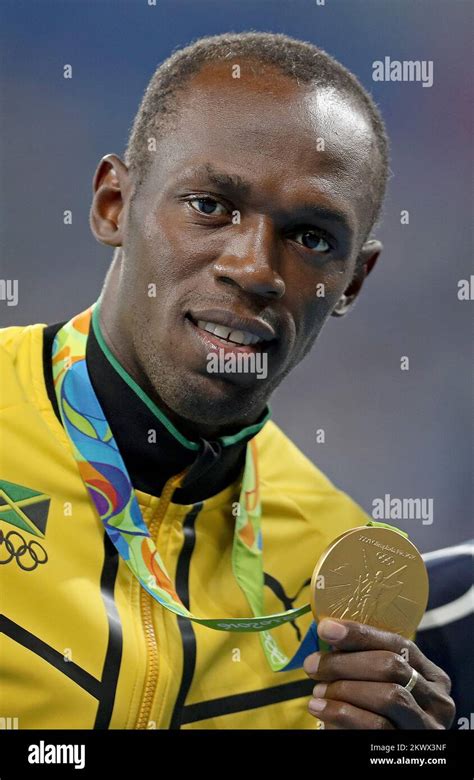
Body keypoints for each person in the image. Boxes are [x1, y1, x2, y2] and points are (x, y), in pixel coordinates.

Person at [0, 32, 454, 730]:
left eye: (311, 237)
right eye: (211, 206)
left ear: (352, 282)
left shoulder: (343, 579)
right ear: (113, 204)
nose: (256, 270)